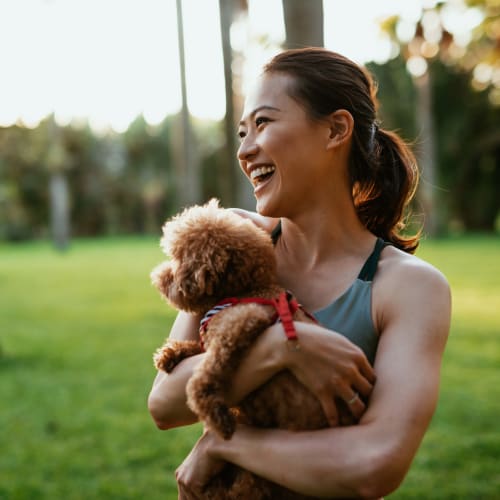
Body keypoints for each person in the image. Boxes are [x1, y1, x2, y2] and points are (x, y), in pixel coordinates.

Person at [148, 47, 451, 499]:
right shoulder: (233, 241)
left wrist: (225, 443)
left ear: (335, 129)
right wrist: (282, 346)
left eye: (264, 123)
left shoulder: (409, 287)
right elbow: (165, 403)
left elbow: (375, 464)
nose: (244, 149)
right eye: (242, 131)